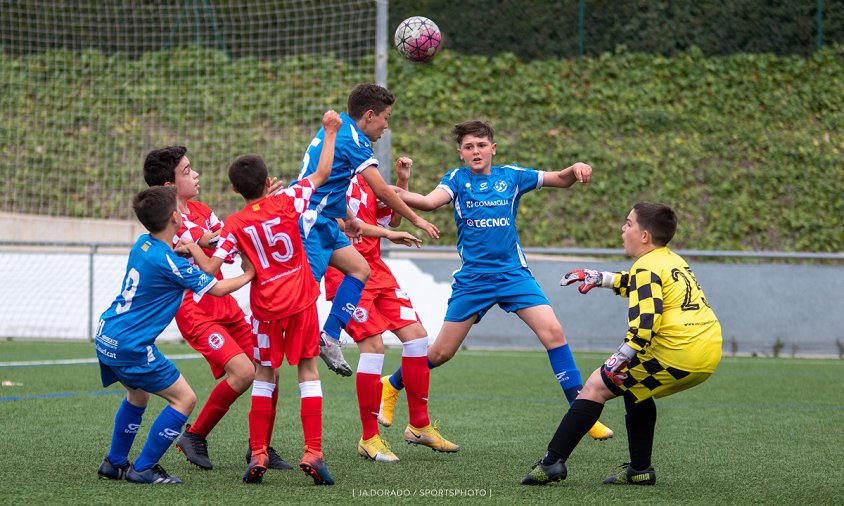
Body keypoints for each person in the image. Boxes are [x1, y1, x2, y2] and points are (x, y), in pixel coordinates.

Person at [378, 120, 614, 441]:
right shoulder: (457, 180)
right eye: (468, 147)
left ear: (493, 148)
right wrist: (394, 191)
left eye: (481, 145)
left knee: (553, 332)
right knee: (441, 353)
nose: (476, 151)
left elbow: (560, 179)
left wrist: (575, 168)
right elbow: (430, 202)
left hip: (513, 274)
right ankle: (391, 385)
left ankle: (581, 411)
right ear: (460, 153)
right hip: (474, 279)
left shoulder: (512, 176)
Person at [186, 110, 342, 485]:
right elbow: (321, 174)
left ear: (237, 191)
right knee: (307, 372)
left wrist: (192, 247)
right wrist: (330, 130)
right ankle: (314, 453)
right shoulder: (289, 199)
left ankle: (257, 453)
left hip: (265, 308)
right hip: (302, 301)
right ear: (268, 180)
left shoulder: (235, 224)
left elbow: (209, 270)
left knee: (264, 374)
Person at [521, 202, 723, 486]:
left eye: (628, 223)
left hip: (678, 354)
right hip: (707, 351)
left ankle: (552, 462)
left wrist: (620, 358)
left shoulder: (646, 266)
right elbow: (641, 285)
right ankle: (640, 470)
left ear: (644, 236)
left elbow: (645, 324)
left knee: (594, 386)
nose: (622, 229)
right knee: (635, 390)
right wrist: (597, 277)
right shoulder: (671, 260)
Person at [142, 146, 291, 472]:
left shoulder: (200, 209)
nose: (195, 175)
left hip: (225, 304)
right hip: (195, 311)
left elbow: (232, 239)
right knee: (245, 372)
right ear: (169, 186)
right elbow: (220, 237)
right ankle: (194, 436)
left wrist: (260, 209)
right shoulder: (167, 222)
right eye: (186, 171)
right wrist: (259, 206)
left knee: (271, 370)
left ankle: (260, 449)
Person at [95, 186, 254, 485]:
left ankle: (114, 463)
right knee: (184, 399)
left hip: (107, 335)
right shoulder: (172, 265)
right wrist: (248, 274)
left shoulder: (143, 244)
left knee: (137, 395)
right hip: (132, 346)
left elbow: (164, 258)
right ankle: (144, 468)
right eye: (179, 210)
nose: (184, 213)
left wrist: (183, 248)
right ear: (174, 218)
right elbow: (216, 287)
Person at [294, 83, 440, 378]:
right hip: (309, 220)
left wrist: (349, 218)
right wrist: (418, 220)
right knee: (302, 295)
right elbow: (383, 191)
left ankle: (329, 336)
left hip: (321, 217)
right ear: (370, 115)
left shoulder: (340, 130)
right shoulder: (354, 139)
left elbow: (330, 183)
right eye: (386, 117)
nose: (387, 125)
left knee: (360, 270)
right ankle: (280, 341)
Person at [323, 157, 458, 463]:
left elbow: (390, 220)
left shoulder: (370, 183)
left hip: (378, 271)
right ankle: (369, 438)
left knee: (417, 337)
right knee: (374, 347)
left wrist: (404, 182)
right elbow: (344, 225)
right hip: (345, 274)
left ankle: (419, 425)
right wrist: (392, 231)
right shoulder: (328, 185)